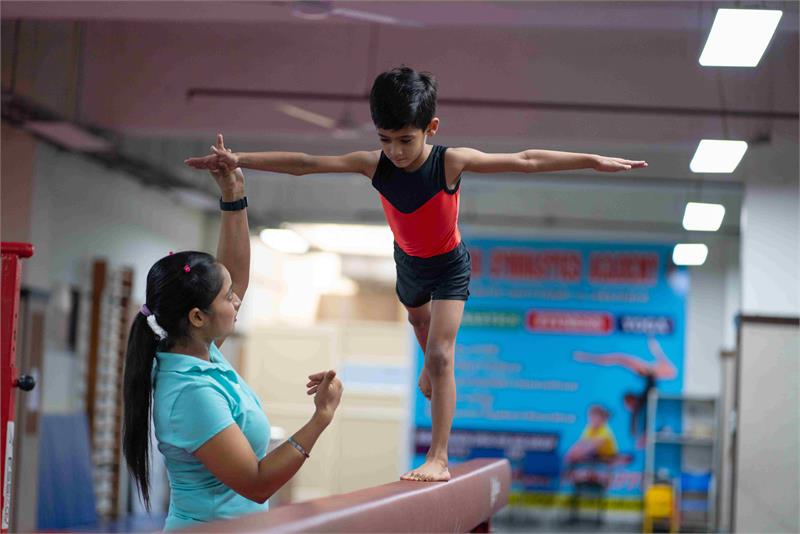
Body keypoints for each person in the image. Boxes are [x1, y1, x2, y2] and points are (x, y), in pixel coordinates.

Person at [185, 66, 647, 482]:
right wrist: (239, 159)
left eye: (405, 140)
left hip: (449, 265)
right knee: (418, 325)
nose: (396, 151)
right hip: (407, 263)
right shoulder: (375, 165)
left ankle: (438, 457)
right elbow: (306, 165)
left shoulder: (451, 161)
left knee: (442, 355)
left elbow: (527, 159)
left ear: (431, 128)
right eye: (386, 139)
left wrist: (591, 160)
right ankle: (430, 366)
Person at [122, 136, 343, 530]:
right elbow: (256, 484)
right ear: (197, 316)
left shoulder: (200, 354)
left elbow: (235, 277)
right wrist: (320, 418)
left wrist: (234, 195)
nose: (238, 300)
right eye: (228, 298)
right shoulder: (191, 393)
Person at [574, 337, 677, 446]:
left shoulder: (654, 371)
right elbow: (617, 359)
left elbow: (619, 359)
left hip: (650, 387)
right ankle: (645, 434)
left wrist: (588, 357)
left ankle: (648, 433)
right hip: (648, 390)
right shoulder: (648, 373)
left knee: (643, 410)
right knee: (640, 412)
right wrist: (588, 357)